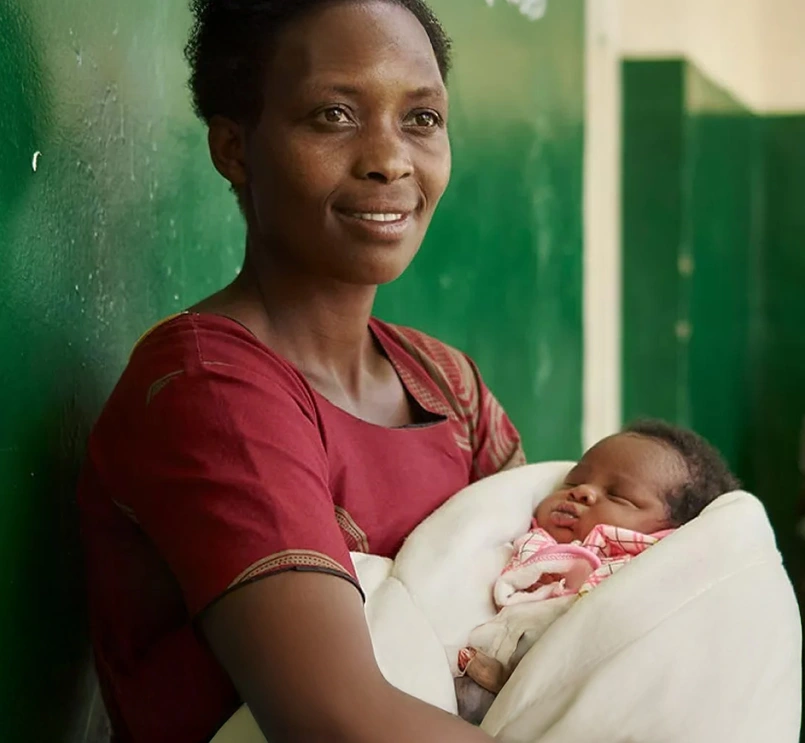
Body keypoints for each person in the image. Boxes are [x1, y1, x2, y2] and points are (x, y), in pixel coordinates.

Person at [77, 1, 525, 742]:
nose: (389, 158)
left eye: (421, 119)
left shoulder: (446, 385)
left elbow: (551, 601)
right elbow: (336, 718)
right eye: (333, 115)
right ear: (234, 148)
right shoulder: (208, 387)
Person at [454, 419, 740, 724]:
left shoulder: (648, 569)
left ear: (671, 532)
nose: (583, 493)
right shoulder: (521, 541)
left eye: (618, 496)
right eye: (572, 482)